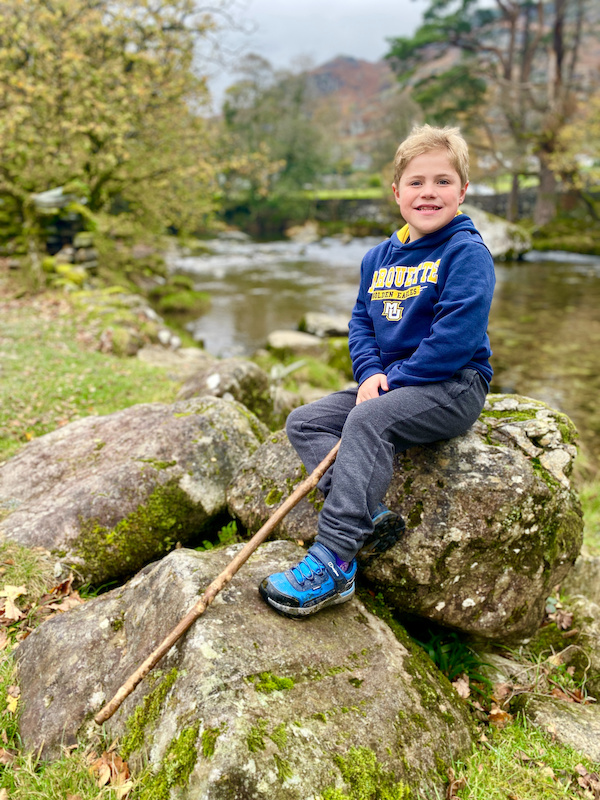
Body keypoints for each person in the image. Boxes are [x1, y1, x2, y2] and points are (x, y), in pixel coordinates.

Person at [259, 124, 495, 618]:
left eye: (443, 181)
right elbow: (361, 323)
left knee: (367, 420)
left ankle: (335, 560)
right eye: (416, 182)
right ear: (396, 192)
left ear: (463, 191)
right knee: (305, 421)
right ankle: (366, 510)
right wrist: (369, 375)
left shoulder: (466, 253)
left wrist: (394, 383)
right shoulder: (377, 259)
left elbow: (456, 338)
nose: (428, 192)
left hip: (453, 385)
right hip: (387, 385)